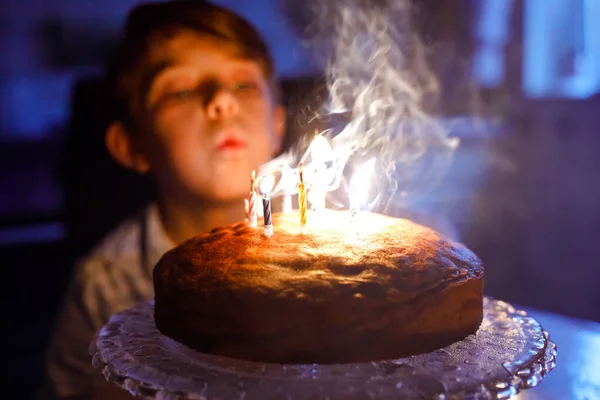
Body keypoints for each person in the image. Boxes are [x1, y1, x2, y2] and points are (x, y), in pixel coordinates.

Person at [43, 1, 285, 398]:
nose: (222, 100)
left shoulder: (347, 251)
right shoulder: (106, 285)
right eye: (181, 90)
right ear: (131, 146)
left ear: (277, 124)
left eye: (244, 84)